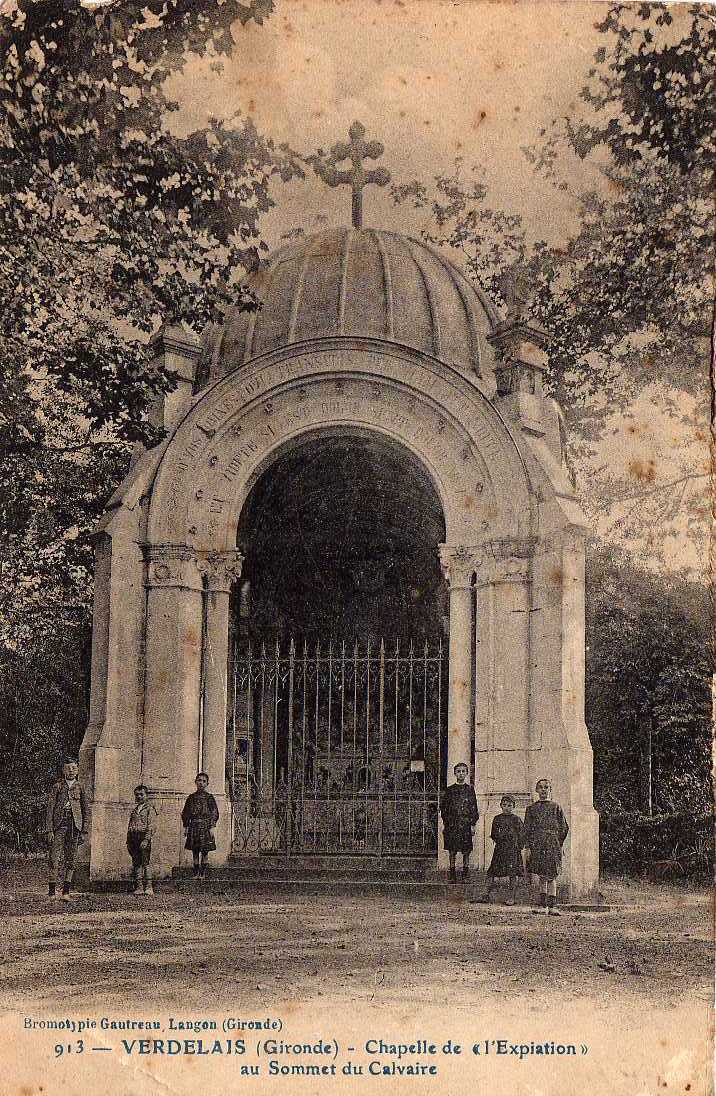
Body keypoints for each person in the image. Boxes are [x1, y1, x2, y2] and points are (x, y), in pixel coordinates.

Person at [523, 778, 569, 916]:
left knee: (552, 875)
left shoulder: (556, 807)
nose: (543, 790)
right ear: (537, 790)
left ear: (550, 790)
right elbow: (527, 829)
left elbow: (564, 827)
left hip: (552, 844)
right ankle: (543, 906)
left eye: (546, 787)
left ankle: (553, 906)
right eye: (541, 787)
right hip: (538, 844)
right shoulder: (531, 809)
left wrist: (558, 843)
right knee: (542, 875)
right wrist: (529, 847)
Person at [46, 758, 87, 901]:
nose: (71, 770)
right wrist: (49, 830)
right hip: (59, 826)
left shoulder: (80, 787)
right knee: (54, 858)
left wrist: (83, 830)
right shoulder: (57, 786)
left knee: (71, 859)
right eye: (68, 768)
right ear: (63, 770)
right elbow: (50, 809)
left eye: (74, 768)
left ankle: (66, 892)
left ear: (78, 770)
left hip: (74, 827)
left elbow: (85, 810)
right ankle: (52, 892)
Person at [476, 794, 525, 905]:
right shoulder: (497, 819)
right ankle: (485, 894)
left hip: (513, 849)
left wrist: (518, 846)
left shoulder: (516, 819)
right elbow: (493, 833)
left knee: (513, 873)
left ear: (513, 806)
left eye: (509, 805)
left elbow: (522, 834)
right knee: (491, 872)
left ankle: (511, 897)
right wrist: (499, 839)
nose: (506, 807)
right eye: (504, 805)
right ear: (501, 806)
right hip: (500, 849)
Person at [440, 762, 479, 883]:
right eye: (458, 771)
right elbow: (444, 808)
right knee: (452, 849)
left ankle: (465, 874)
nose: (461, 774)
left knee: (466, 850)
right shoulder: (449, 790)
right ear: (454, 773)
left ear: (467, 773)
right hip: (452, 824)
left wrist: (472, 824)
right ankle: (452, 874)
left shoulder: (470, 789)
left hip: (465, 824)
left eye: (463, 771)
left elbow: (474, 808)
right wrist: (446, 824)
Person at [181, 773, 219, 878]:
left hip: (206, 826)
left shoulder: (209, 798)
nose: (201, 783)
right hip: (194, 826)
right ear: (195, 782)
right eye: (199, 780)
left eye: (203, 781)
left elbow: (214, 813)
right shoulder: (191, 797)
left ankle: (202, 873)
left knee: (205, 851)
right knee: (195, 850)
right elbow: (186, 813)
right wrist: (186, 826)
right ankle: (196, 873)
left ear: (207, 783)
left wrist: (212, 827)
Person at [126, 784, 158, 897]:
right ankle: (139, 887)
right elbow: (130, 826)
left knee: (145, 862)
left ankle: (149, 887)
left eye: (141, 794)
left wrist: (146, 839)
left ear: (146, 796)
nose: (139, 797)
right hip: (133, 838)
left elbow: (152, 826)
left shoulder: (150, 809)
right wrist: (128, 841)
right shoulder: (134, 810)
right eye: (137, 795)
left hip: (143, 837)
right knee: (136, 863)